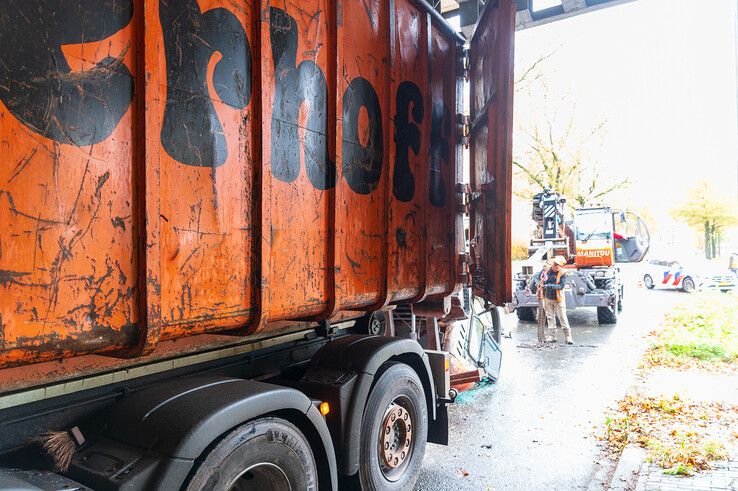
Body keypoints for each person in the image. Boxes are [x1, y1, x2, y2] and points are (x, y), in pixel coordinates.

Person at [539, 256, 573, 344]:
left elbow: (561, 286)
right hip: (547, 298)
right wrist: (539, 284)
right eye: (555, 264)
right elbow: (537, 277)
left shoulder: (562, 273)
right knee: (550, 317)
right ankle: (552, 336)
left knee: (562, 317)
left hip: (558, 299)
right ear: (553, 264)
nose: (556, 267)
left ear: (561, 266)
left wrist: (549, 286)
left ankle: (568, 337)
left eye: (558, 265)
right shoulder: (546, 270)